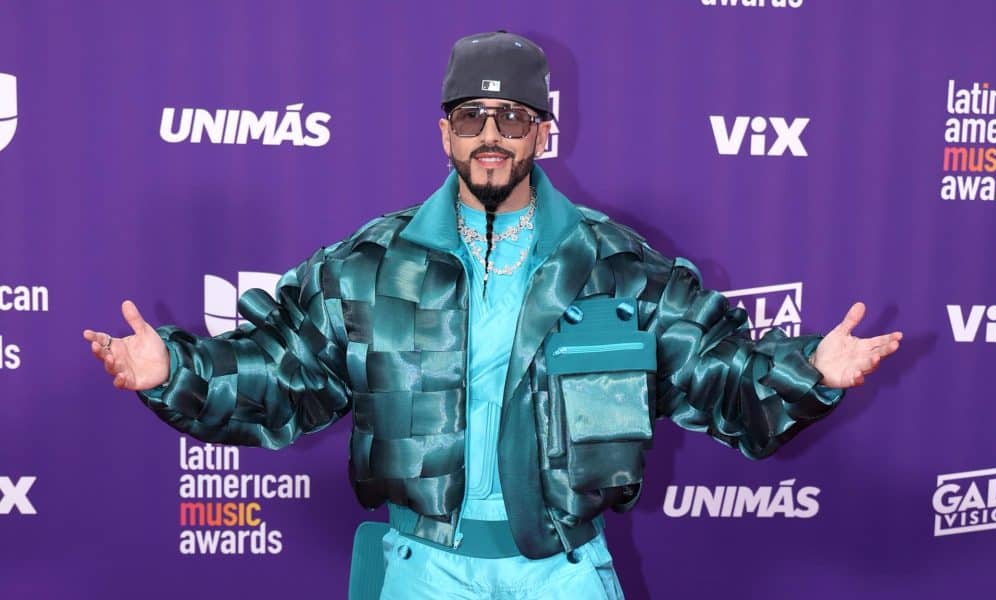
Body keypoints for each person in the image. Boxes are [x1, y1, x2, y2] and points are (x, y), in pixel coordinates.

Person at [82, 31, 902, 600]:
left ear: (544, 132)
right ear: (444, 132)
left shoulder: (617, 264)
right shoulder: (372, 265)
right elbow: (282, 378)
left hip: (563, 570)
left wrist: (811, 372)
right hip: (421, 569)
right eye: (472, 117)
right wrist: (174, 372)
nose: (491, 136)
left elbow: (721, 382)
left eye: (513, 119)